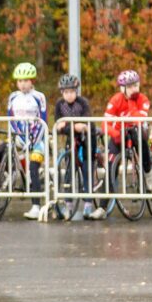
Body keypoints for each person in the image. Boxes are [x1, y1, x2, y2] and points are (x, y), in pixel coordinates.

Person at [53, 74, 103, 220]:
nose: (69, 95)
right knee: (69, 170)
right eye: (66, 92)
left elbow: (85, 122)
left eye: (72, 92)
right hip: (72, 137)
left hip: (88, 137)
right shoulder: (59, 104)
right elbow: (58, 124)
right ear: (62, 92)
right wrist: (71, 126)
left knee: (86, 168)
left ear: (76, 91)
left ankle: (88, 204)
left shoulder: (83, 102)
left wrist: (68, 125)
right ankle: (68, 203)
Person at [2, 62, 47, 219]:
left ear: (31, 81)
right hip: (19, 136)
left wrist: (33, 140)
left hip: (36, 138)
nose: (22, 84)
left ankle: (35, 206)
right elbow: (10, 119)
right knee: (0, 151)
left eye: (25, 80)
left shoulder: (39, 96)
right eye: (19, 81)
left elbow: (43, 121)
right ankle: (11, 174)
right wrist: (17, 135)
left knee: (33, 169)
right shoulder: (13, 97)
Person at [103, 69, 152, 192]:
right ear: (123, 89)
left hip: (137, 130)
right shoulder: (116, 99)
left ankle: (148, 171)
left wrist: (131, 103)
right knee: (111, 168)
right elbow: (105, 124)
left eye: (136, 85)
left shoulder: (143, 99)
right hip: (120, 133)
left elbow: (139, 119)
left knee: (141, 139)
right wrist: (116, 134)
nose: (134, 89)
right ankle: (103, 205)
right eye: (130, 87)